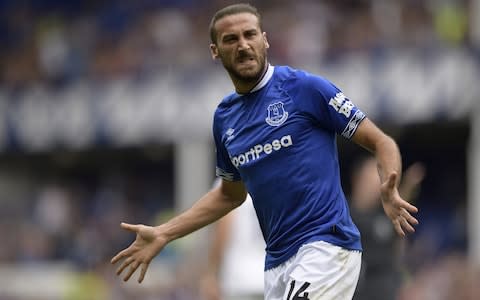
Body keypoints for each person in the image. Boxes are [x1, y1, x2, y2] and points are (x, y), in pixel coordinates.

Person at [111, 3, 419, 299]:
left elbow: (381, 141)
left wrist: (388, 188)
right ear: (215, 52)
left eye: (250, 34)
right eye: (231, 39)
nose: (243, 45)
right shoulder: (225, 119)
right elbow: (229, 195)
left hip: (326, 247)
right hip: (276, 265)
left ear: (265, 40)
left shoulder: (304, 89)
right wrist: (165, 233)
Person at [349, 156, 425, 300]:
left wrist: (408, 187)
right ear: (357, 179)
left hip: (386, 292)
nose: (374, 186)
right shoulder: (340, 214)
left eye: (378, 180)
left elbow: (398, 244)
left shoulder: (385, 216)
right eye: (370, 179)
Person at [201, 190, 265, 300]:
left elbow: (224, 228)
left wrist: (211, 273)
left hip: (240, 277)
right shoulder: (280, 179)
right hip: (272, 275)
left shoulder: (231, 178)